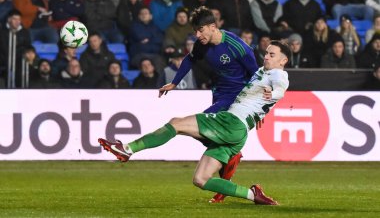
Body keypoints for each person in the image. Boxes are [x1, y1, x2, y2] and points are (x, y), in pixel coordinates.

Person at [99, 40, 290, 205]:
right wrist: (261, 112)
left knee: (176, 123)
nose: (266, 56)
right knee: (201, 179)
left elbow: (280, 90)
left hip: (230, 122)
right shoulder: (262, 72)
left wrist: (272, 94)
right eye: (266, 53)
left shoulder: (278, 74)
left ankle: (128, 148)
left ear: (283, 61)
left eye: (272, 55)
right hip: (238, 132)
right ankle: (253, 195)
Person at [158, 6, 260, 203]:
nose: (197, 35)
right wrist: (175, 82)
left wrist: (257, 109)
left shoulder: (238, 47)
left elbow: (257, 77)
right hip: (219, 95)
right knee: (212, 138)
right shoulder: (202, 44)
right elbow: (190, 59)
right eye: (195, 30)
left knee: (201, 127)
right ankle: (230, 163)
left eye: (200, 30)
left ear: (213, 27)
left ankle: (230, 162)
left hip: (236, 99)